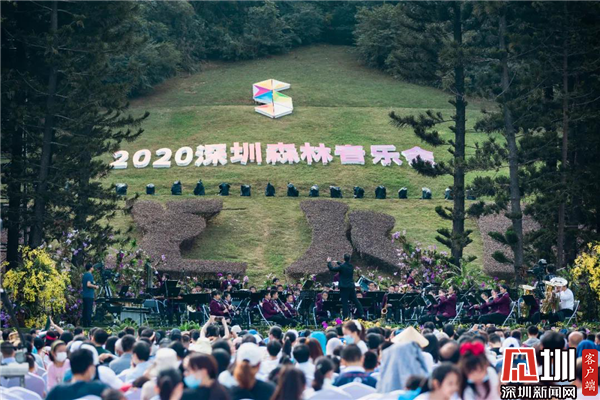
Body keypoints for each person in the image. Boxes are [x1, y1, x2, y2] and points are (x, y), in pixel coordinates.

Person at [327, 254, 364, 319]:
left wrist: (329, 262)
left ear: (344, 258)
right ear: (349, 259)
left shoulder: (342, 267)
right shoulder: (351, 266)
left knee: (345, 302)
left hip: (344, 287)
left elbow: (332, 269)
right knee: (355, 300)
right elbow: (344, 266)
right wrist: (338, 262)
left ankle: (345, 317)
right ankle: (362, 314)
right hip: (351, 286)